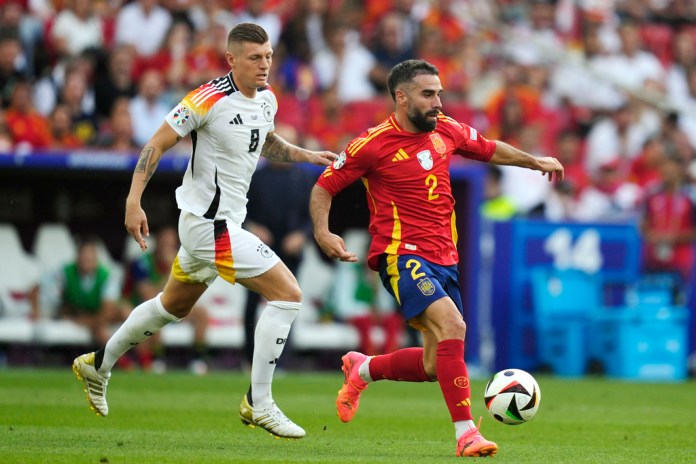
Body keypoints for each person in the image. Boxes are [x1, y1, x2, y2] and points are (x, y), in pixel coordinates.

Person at [72, 23, 336, 440]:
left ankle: (97, 364)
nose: (264, 64)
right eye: (255, 57)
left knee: (171, 307)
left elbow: (263, 142)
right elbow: (155, 145)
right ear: (231, 59)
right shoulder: (205, 98)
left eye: (268, 56)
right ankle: (260, 403)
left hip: (221, 225)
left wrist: (306, 155)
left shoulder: (267, 99)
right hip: (206, 225)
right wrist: (133, 200)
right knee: (288, 294)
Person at [309, 59, 563, 457]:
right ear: (401, 96)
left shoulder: (445, 129)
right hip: (400, 255)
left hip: (445, 259)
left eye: (440, 93)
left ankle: (362, 369)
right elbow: (325, 187)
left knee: (433, 365)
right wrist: (323, 232)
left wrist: (534, 161)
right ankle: (466, 434)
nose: (438, 102)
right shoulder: (372, 144)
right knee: (453, 325)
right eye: (429, 94)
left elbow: (490, 148)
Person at [124, 225, 211, 374]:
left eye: (170, 244)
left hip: (174, 307)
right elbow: (148, 294)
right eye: (164, 243)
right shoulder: (142, 263)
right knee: (157, 312)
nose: (167, 248)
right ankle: (158, 360)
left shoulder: (183, 262)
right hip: (149, 308)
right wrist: (171, 270)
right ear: (157, 243)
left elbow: (186, 291)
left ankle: (198, 360)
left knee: (202, 313)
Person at [59, 237, 128, 347]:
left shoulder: (107, 276)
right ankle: (126, 362)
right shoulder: (65, 273)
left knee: (127, 312)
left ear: (96, 259)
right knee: (99, 330)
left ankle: (147, 355)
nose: (87, 261)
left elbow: (108, 311)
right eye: (84, 257)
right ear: (77, 257)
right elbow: (58, 300)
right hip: (80, 314)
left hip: (103, 315)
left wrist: (87, 321)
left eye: (90, 258)